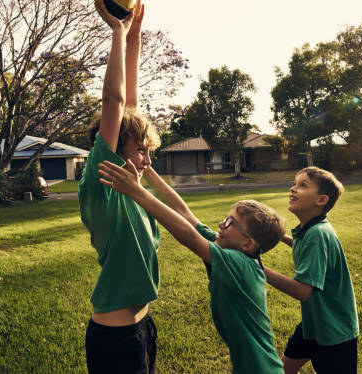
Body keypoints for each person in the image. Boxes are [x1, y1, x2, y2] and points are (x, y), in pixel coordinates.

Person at [97, 160, 286, 374]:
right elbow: (184, 212)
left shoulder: (240, 264)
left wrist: (137, 191)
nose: (221, 225)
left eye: (230, 222)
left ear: (248, 243)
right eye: (226, 218)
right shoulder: (227, 249)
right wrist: (147, 170)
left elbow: (188, 236)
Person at [79, 0, 161, 374]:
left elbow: (130, 104)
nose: (146, 159)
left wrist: (134, 37)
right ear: (113, 150)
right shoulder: (102, 185)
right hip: (115, 340)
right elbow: (114, 101)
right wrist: (115, 31)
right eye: (141, 150)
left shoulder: (131, 190)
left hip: (142, 327)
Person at [264, 167, 359, 374]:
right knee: (282, 369)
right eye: (294, 183)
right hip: (315, 324)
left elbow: (302, 290)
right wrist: (280, 237)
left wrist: (257, 267)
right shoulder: (312, 229)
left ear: (321, 200)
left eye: (302, 185)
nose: (292, 188)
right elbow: (303, 245)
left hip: (334, 333)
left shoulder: (317, 234)